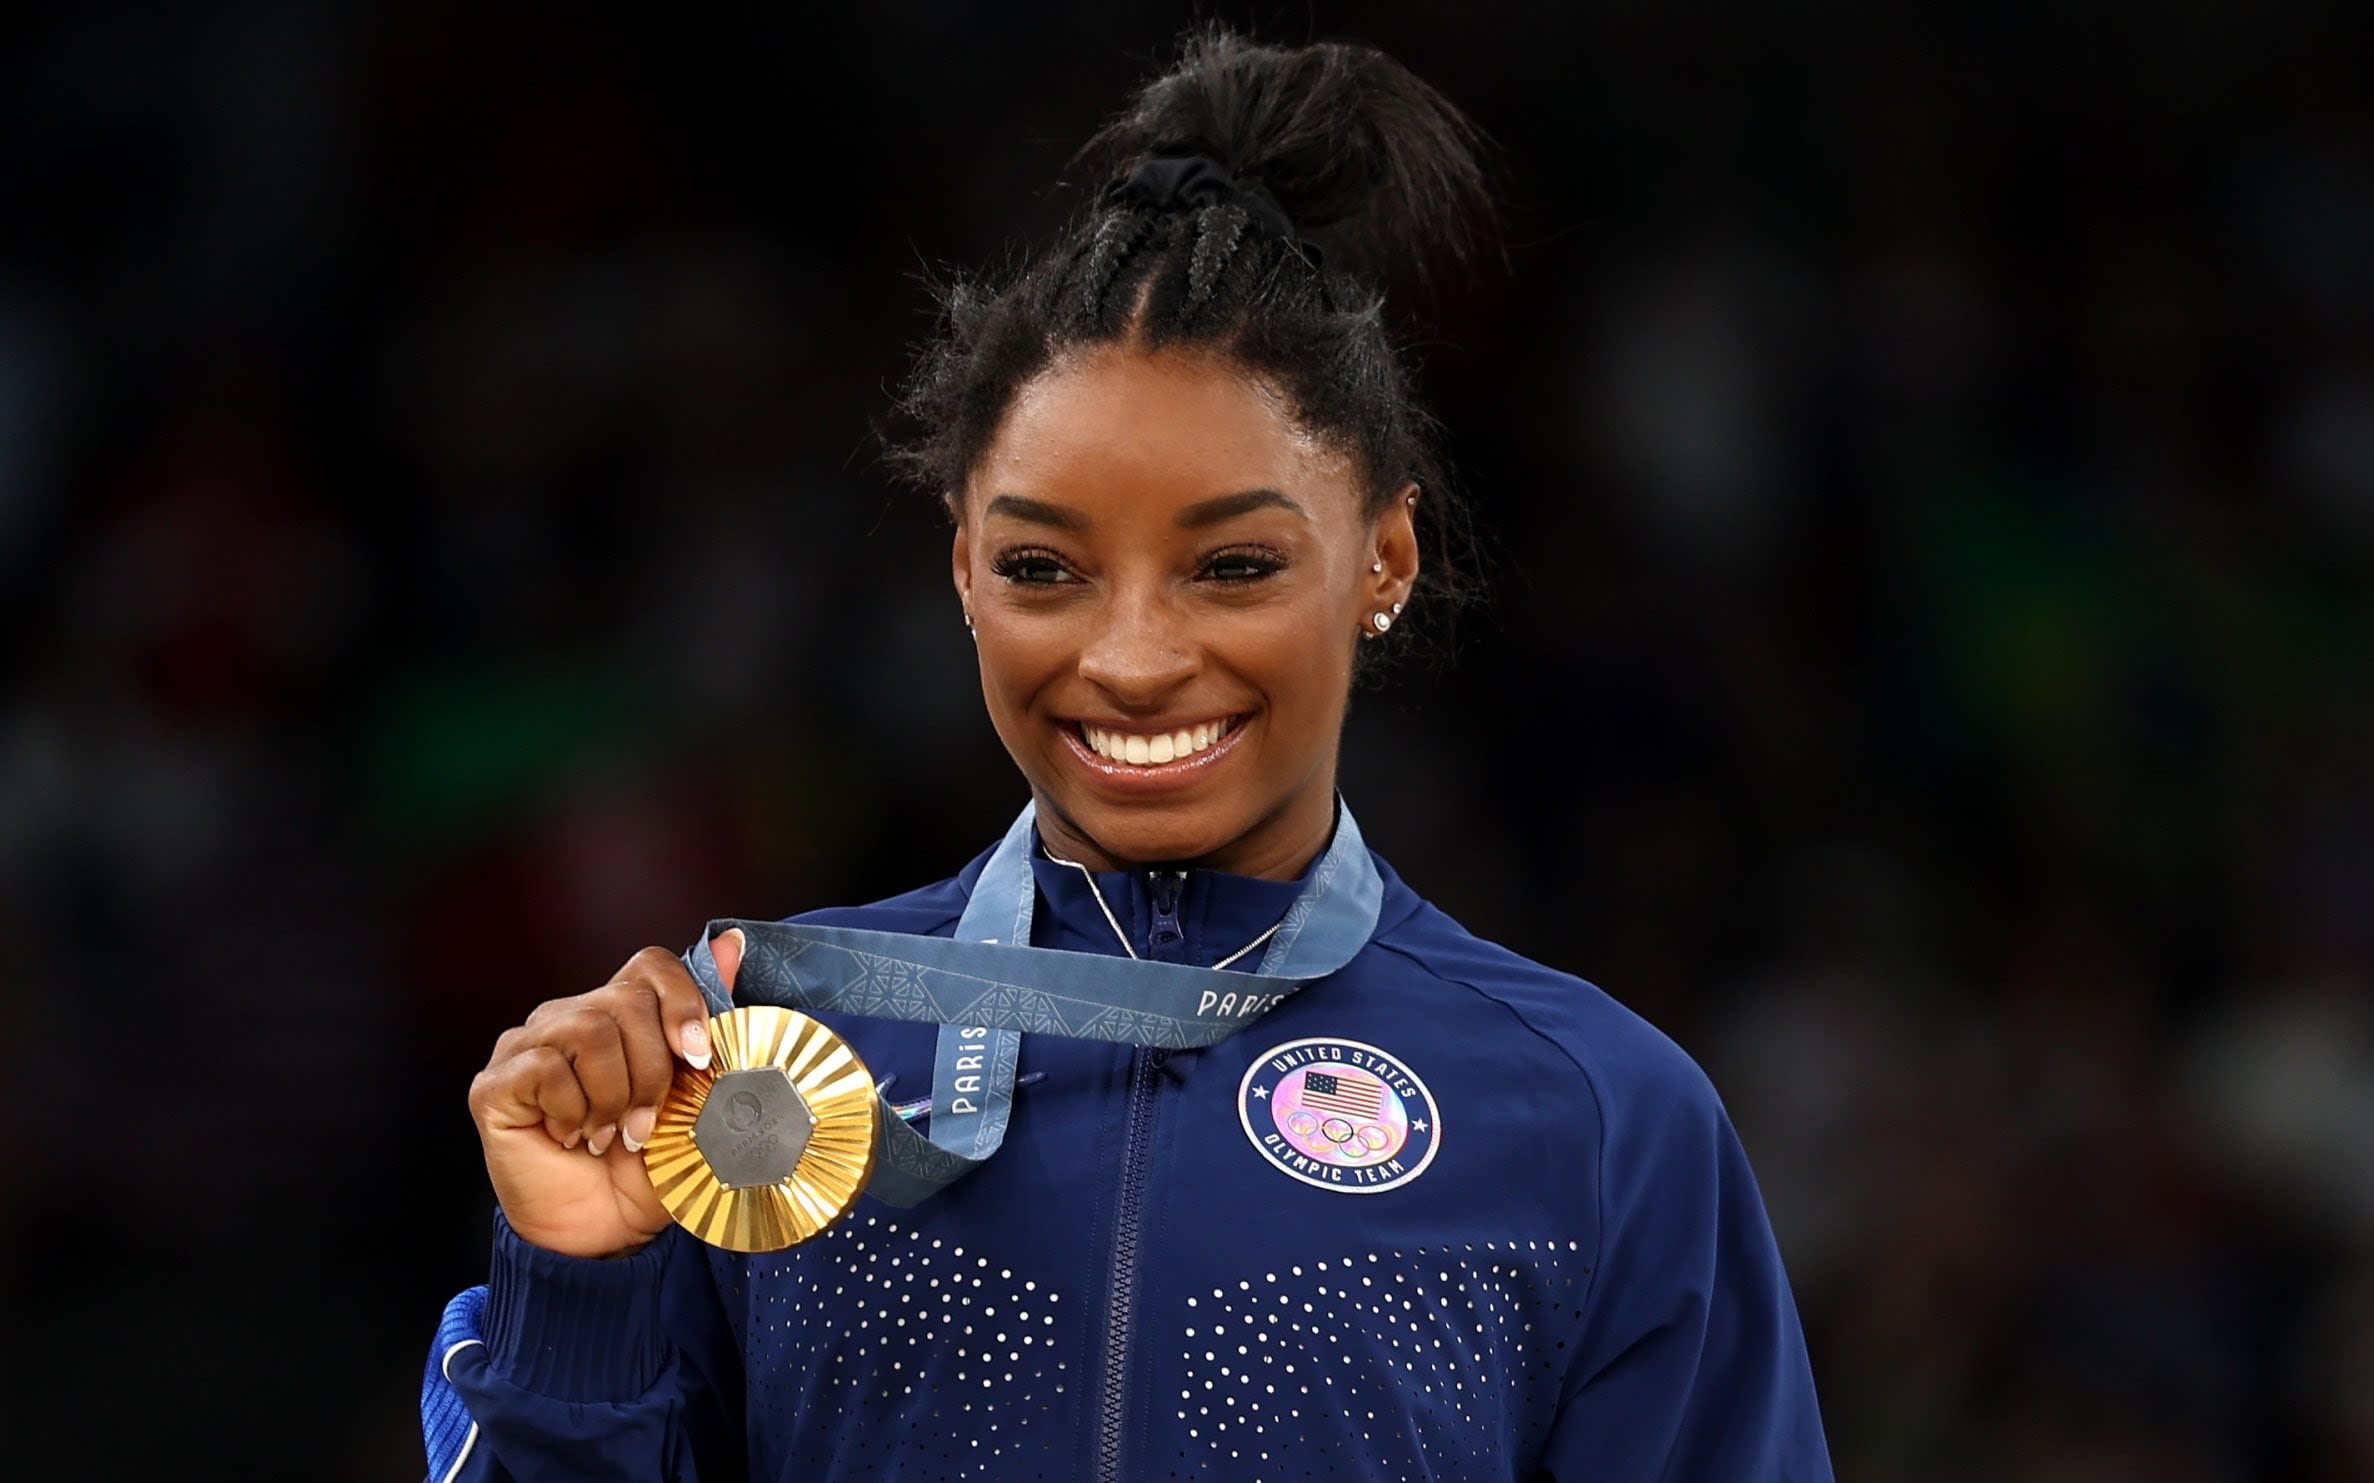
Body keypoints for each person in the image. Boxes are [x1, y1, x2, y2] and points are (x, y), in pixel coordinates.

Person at [419, 29, 1832, 1483]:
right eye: (1044, 568)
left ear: (1382, 559)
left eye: (1231, 566)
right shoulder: (746, 1076)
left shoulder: (1596, 1118)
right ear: (960, 568)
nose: (1134, 656)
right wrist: (575, 1280)